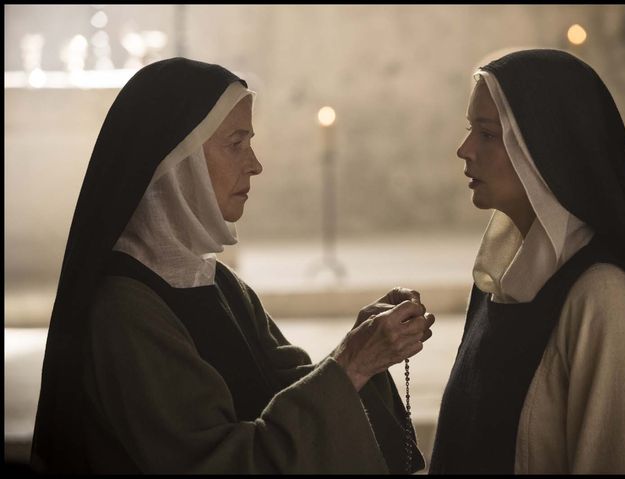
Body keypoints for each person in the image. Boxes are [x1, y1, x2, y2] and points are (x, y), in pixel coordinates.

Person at [30, 57, 434, 474]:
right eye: (236, 144)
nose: (255, 164)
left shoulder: (215, 281)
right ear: (177, 160)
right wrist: (352, 363)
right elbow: (215, 463)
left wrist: (362, 347)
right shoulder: (123, 309)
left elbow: (285, 391)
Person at [429, 49, 625, 474]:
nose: (463, 150)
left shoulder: (602, 299)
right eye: (472, 130)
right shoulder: (499, 280)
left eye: (487, 134)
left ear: (541, 147)